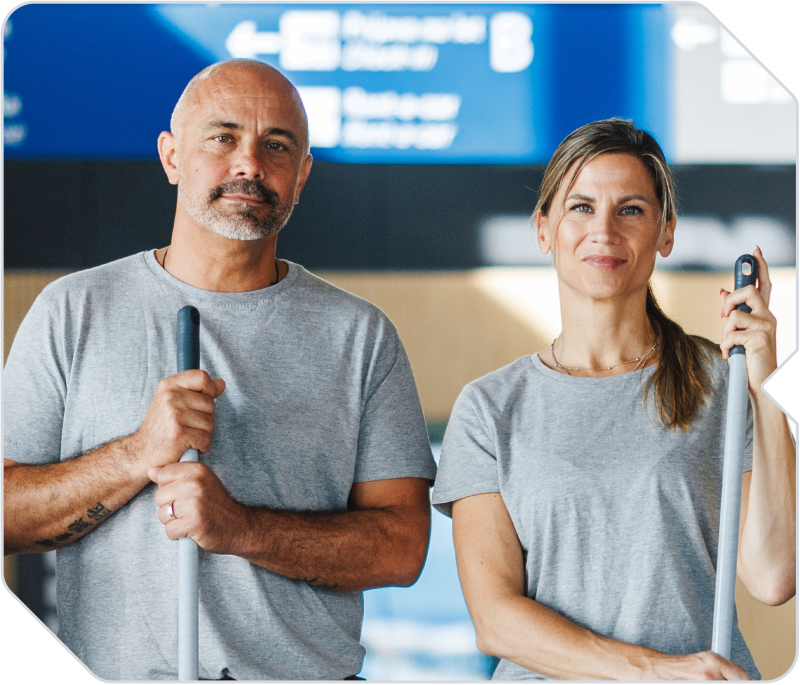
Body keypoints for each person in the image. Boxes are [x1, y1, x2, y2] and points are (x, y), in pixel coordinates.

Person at [4, 59, 437, 681]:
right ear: (172, 156)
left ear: (302, 175)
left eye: (277, 145)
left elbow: (401, 548)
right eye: (223, 137)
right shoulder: (72, 312)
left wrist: (242, 529)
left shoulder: (360, 336)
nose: (250, 165)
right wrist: (136, 455)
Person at [431, 119, 795, 681]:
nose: (603, 230)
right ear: (544, 228)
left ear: (665, 233)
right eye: (580, 207)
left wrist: (766, 387)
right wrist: (655, 670)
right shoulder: (489, 408)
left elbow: (773, 576)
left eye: (630, 209)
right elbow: (496, 621)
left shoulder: (720, 381)